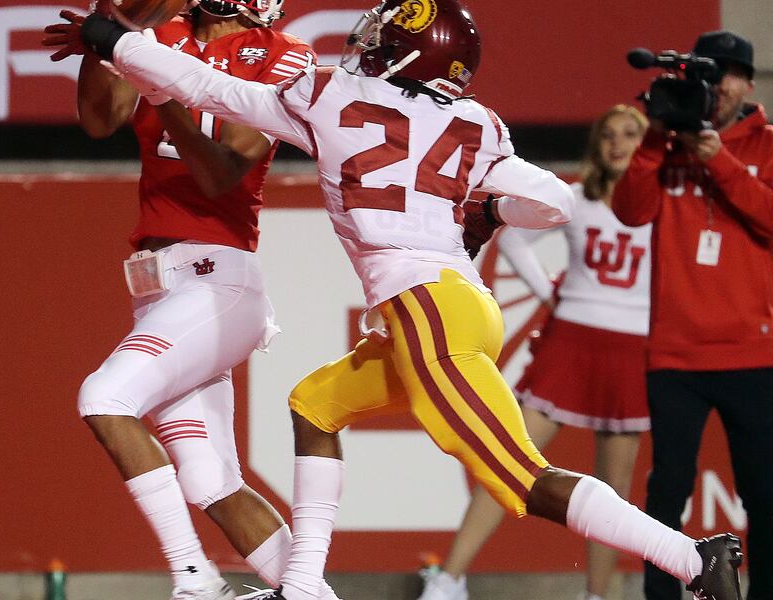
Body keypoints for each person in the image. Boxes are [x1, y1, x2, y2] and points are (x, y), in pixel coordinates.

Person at [76, 2, 745, 599]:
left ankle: (689, 555)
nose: (370, 39)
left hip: (425, 312)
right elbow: (557, 202)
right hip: (450, 304)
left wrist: (113, 39)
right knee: (315, 405)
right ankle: (303, 585)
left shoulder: (327, 94)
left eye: (386, 33)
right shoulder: (475, 120)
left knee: (521, 481)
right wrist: (488, 213)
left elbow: (202, 85)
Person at [41, 2, 339, 599]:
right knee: (210, 481)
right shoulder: (163, 35)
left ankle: (194, 577)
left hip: (217, 280)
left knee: (105, 396)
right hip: (159, 290)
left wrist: (160, 90)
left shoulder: (284, 54)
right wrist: (113, 29)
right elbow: (100, 121)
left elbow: (222, 171)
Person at [418, 104, 651, 600]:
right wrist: (550, 295)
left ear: (645, 143)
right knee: (509, 459)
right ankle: (450, 579)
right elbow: (516, 239)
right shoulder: (576, 198)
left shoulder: (664, 205)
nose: (618, 143)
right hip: (570, 343)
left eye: (630, 134)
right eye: (608, 134)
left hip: (634, 349)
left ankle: (598, 594)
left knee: (615, 489)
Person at [610, 30, 773, 600]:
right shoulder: (667, 147)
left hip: (753, 354)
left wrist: (721, 162)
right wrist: (655, 140)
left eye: (728, 72)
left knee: (764, 493)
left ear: (749, 83)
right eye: (708, 73)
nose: (717, 85)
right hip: (675, 354)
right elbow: (630, 212)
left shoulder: (767, 146)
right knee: (666, 494)